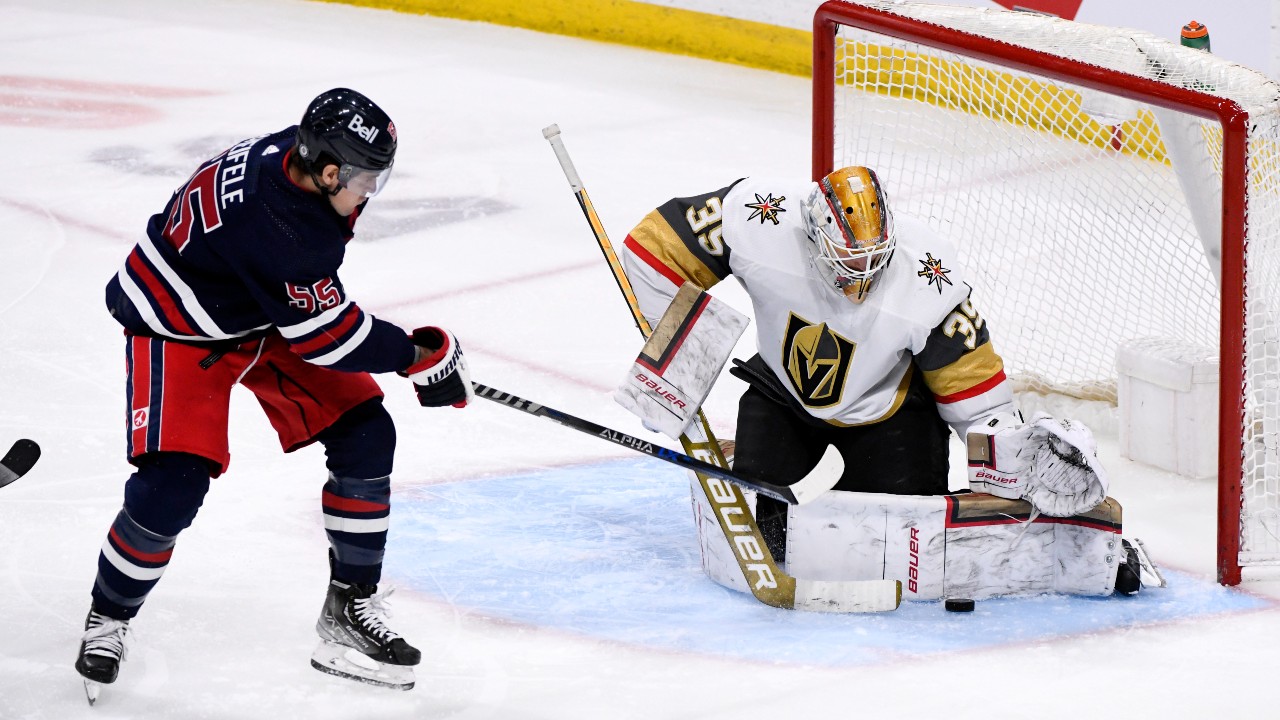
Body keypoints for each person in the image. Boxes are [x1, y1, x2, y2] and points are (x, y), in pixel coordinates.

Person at [75, 88, 472, 698]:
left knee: (365, 432)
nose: (369, 193)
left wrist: (409, 356)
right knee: (172, 485)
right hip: (178, 324)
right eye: (365, 179)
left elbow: (310, 314)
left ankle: (349, 607)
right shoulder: (281, 225)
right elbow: (328, 338)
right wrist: (420, 355)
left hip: (256, 309)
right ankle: (109, 616)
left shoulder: (298, 159)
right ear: (329, 170)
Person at [618, 167, 1129, 590]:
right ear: (813, 231)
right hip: (783, 401)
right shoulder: (757, 218)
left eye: (871, 261)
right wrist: (678, 362)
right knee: (770, 530)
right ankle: (756, 459)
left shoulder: (929, 278)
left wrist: (1022, 463)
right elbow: (651, 249)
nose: (859, 277)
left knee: (910, 545)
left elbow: (977, 402)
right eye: (847, 261)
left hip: (890, 417)